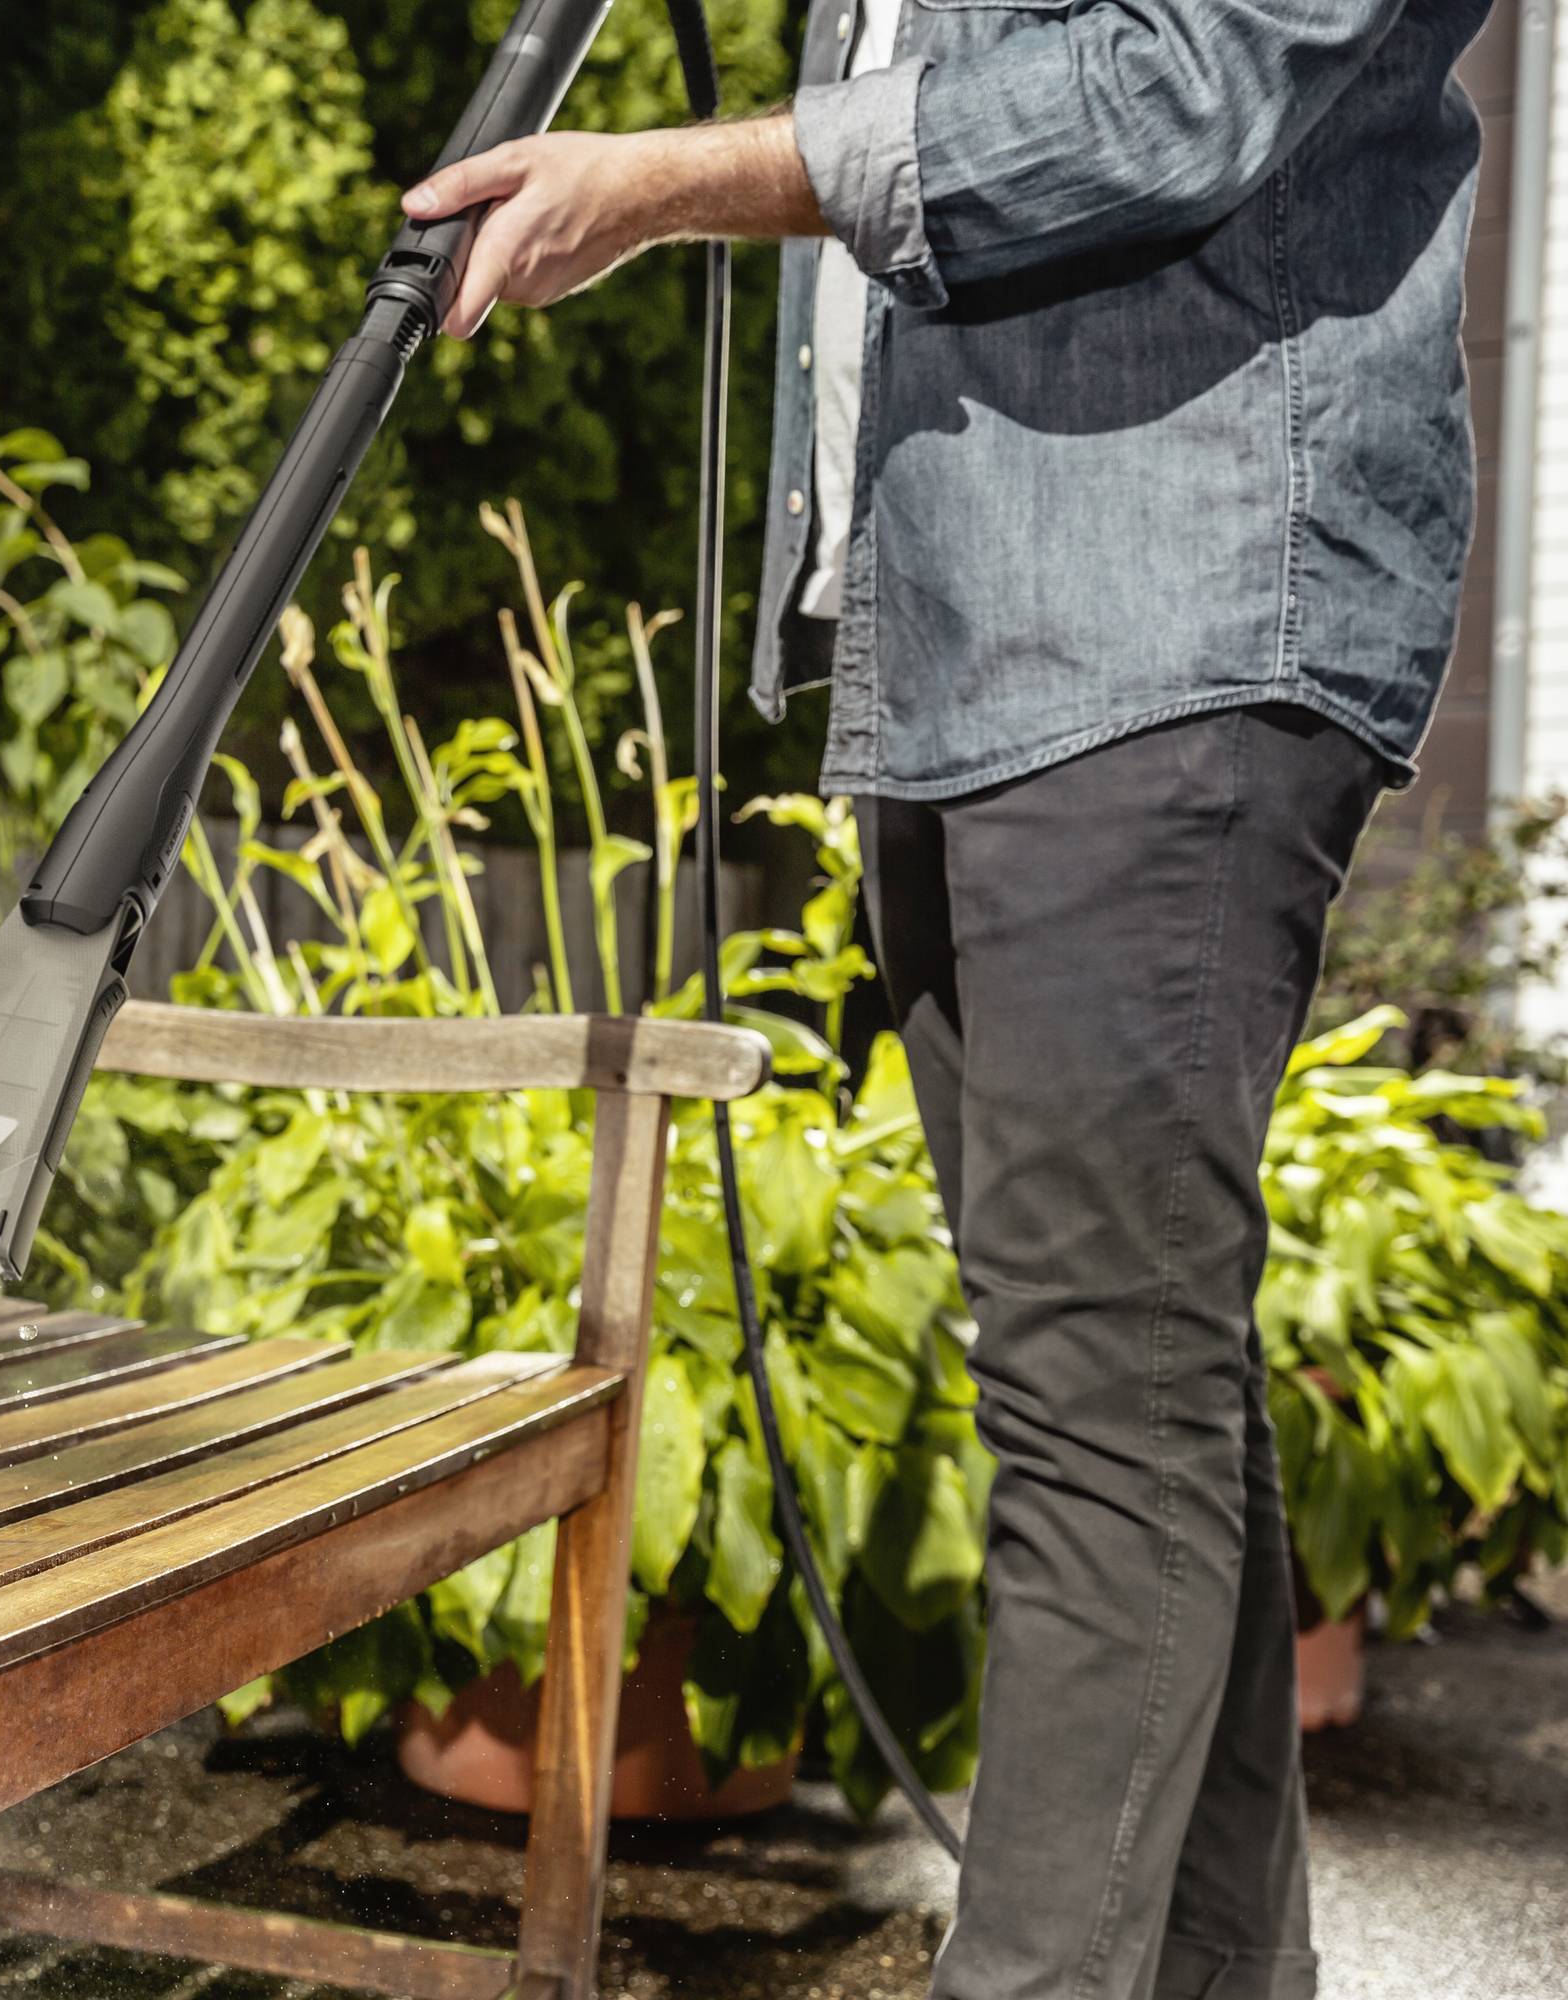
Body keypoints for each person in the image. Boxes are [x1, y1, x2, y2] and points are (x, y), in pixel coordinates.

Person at [404, 5, 1492, 1998]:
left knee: (1109, 1418)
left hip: (1167, 595)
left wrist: (677, 180)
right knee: (1135, 1396)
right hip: (983, 621)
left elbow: (1194, 78)